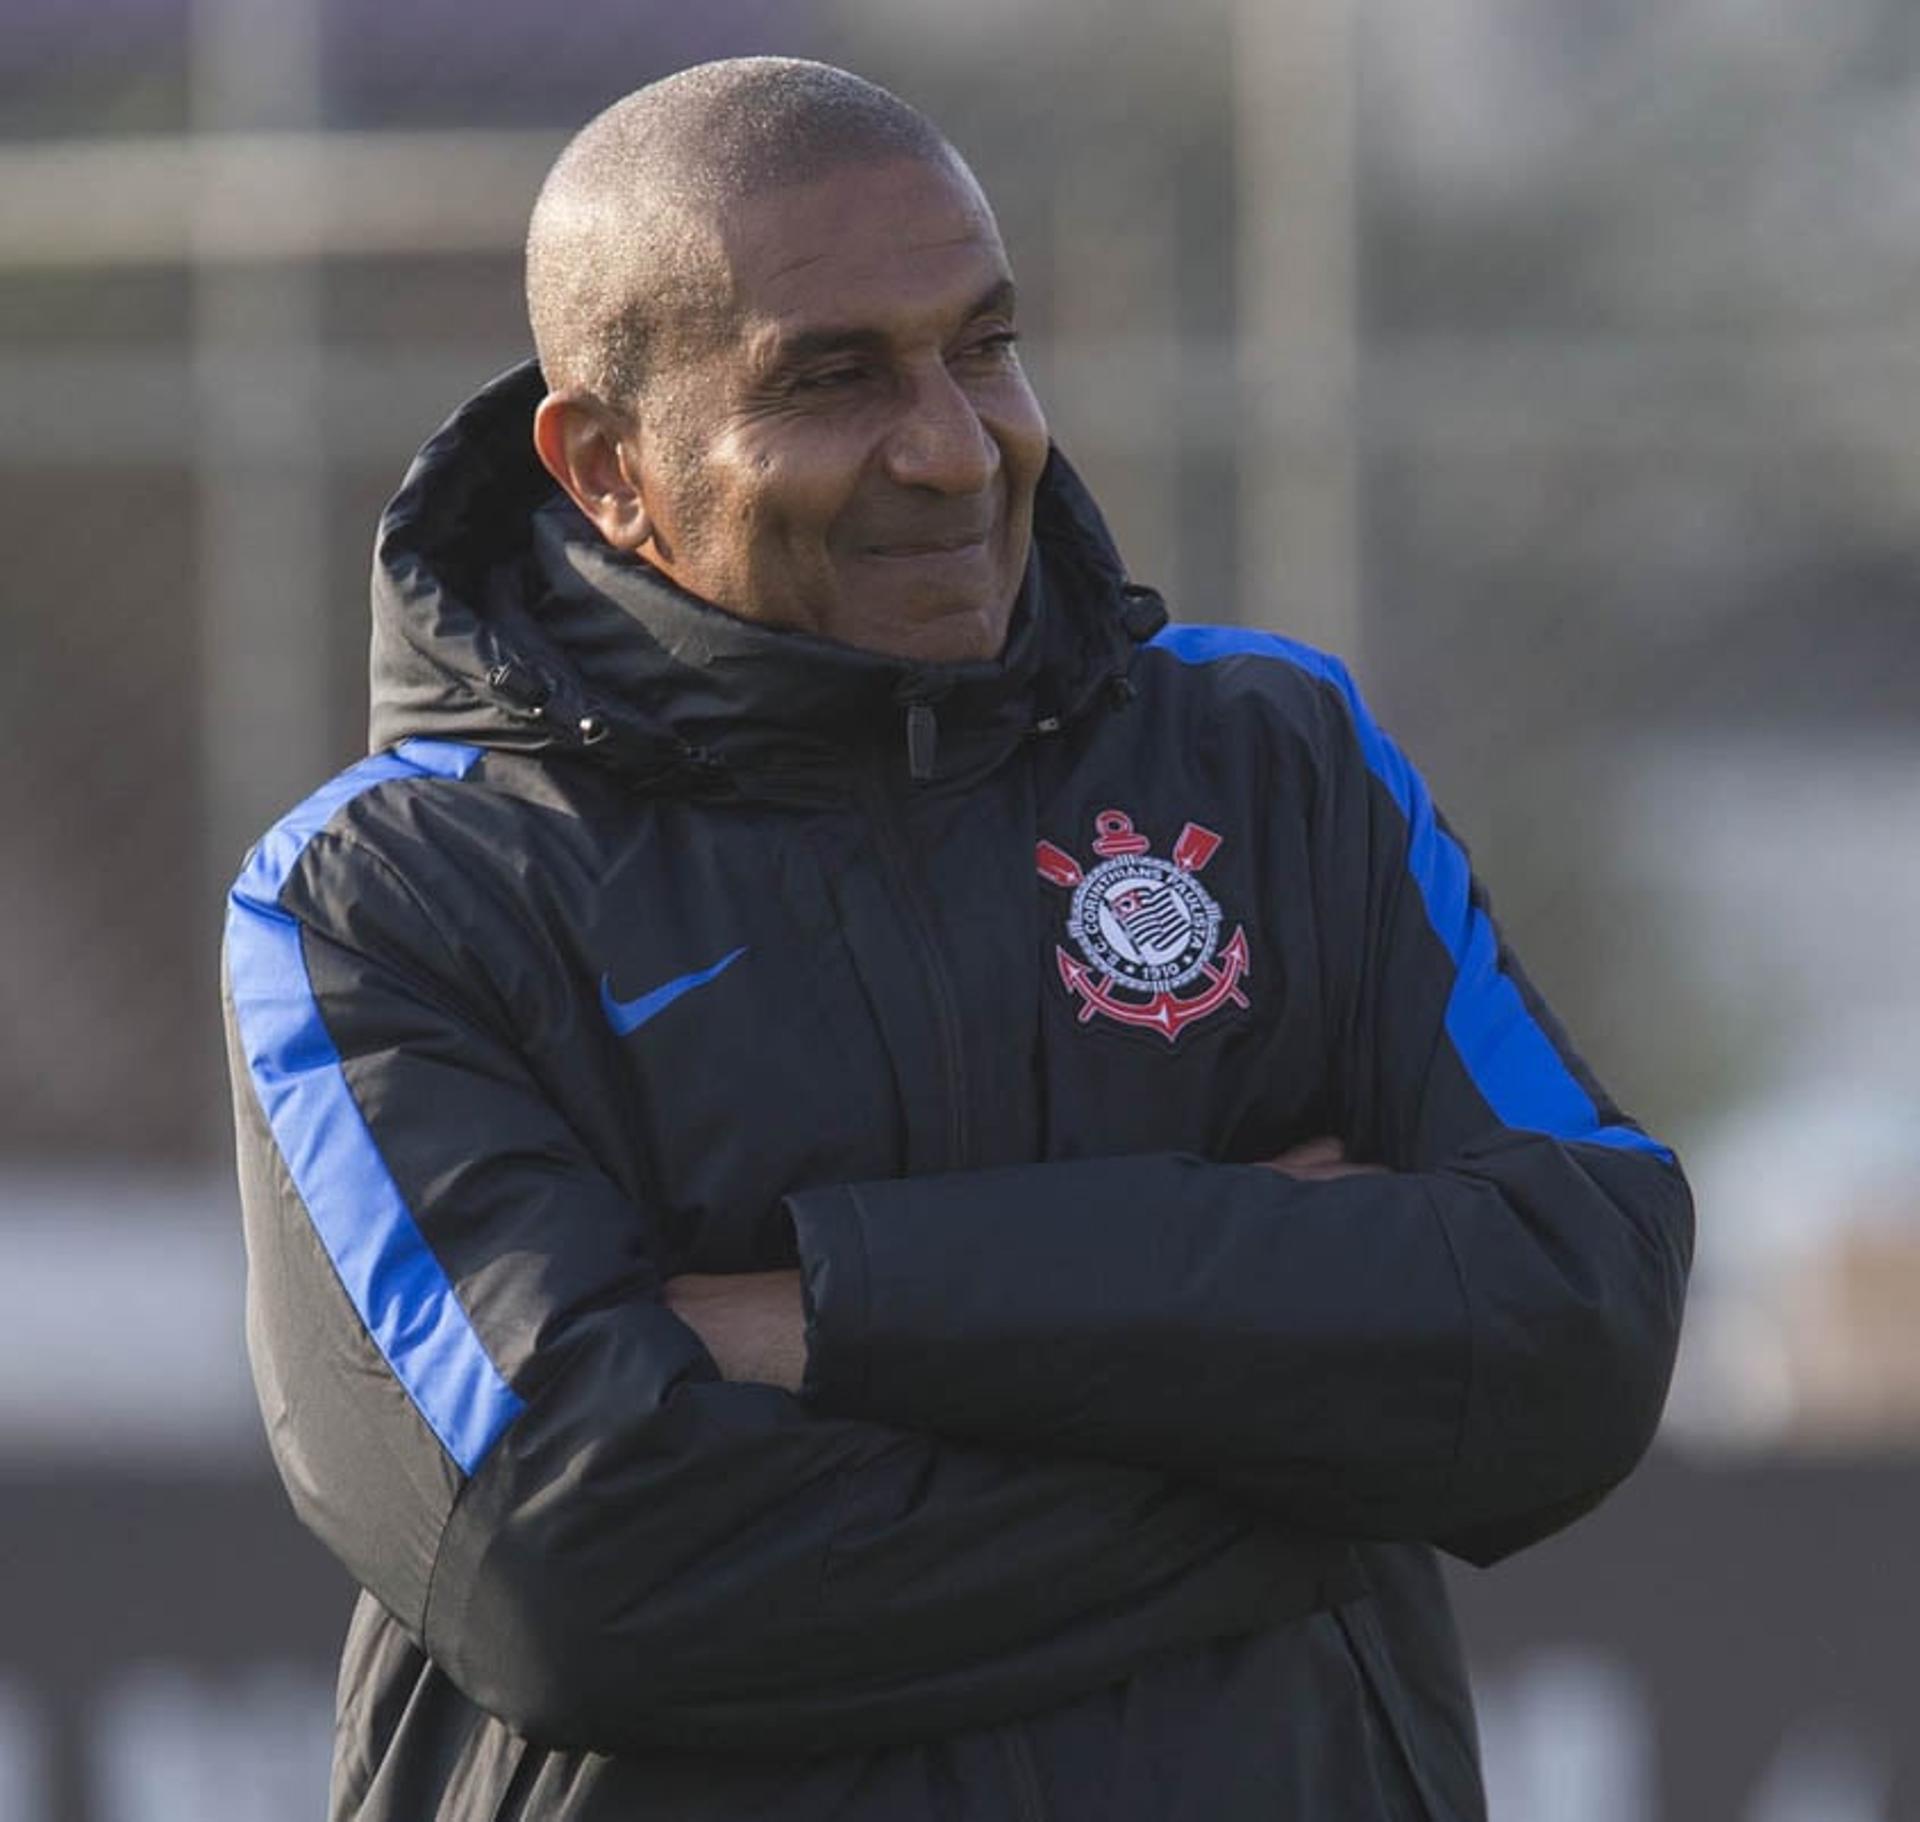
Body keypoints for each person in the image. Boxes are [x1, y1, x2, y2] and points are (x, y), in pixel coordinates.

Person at [223, 57, 1691, 1822]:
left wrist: (833, 1308)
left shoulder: (1273, 756)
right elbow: (575, 1566)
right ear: (610, 468)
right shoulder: (386, 900)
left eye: (984, 345)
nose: (952, 443)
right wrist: (1296, 1439)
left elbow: (1571, 1320)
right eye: (832, 378)